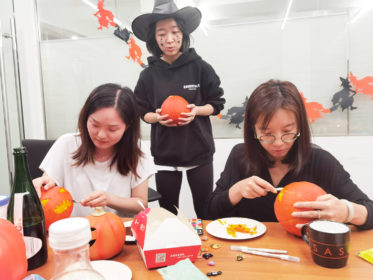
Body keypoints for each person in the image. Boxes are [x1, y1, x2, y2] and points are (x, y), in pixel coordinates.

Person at [205, 80, 373, 230]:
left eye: (287, 131)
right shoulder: (240, 156)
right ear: (252, 130)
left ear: (299, 126)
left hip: (305, 256)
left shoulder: (321, 162)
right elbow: (208, 212)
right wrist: (236, 191)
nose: (278, 142)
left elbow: (369, 210)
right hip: (249, 255)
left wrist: (348, 212)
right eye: (266, 133)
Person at [131, 0, 225, 218]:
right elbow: (141, 109)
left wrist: (196, 111)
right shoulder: (148, 75)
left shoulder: (201, 67)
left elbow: (217, 103)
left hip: (199, 153)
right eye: (161, 33)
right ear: (154, 38)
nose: (169, 39)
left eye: (174, 31)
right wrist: (156, 117)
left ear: (183, 33)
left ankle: (209, 250)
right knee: (168, 214)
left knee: (205, 211)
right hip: (166, 155)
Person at [33, 83, 156, 217]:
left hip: (119, 231)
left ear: (128, 126)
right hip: (75, 231)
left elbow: (141, 204)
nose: (101, 135)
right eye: (95, 125)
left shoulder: (137, 150)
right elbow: (49, 182)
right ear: (86, 117)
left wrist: (109, 199)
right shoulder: (67, 143)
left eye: (112, 129)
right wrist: (45, 184)